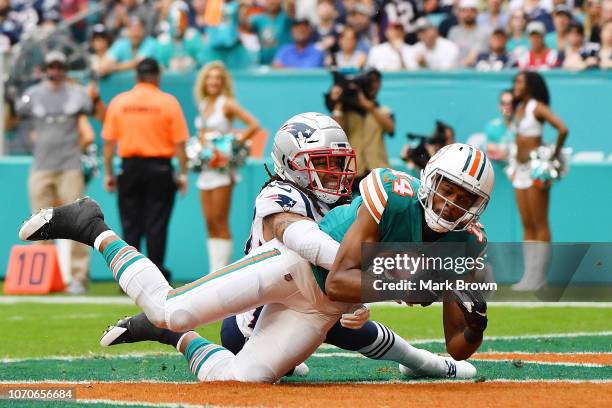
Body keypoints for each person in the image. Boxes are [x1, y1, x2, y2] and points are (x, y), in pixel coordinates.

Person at [20, 134, 492, 383]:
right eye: (447, 189)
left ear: (477, 206)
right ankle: (91, 225)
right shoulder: (392, 192)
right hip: (290, 267)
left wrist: (473, 322)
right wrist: (410, 280)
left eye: (462, 198)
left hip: (320, 310)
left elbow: (457, 343)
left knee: (238, 383)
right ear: (429, 179)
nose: (450, 203)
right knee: (172, 306)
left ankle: (176, 339)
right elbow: (340, 281)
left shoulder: (466, 246)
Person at [14, 50, 106, 295]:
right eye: (51, 66)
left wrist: (96, 98)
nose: (55, 70)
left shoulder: (78, 94)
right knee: (37, 222)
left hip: (69, 166)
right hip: (41, 165)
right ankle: (39, 277)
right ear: (45, 68)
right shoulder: (32, 95)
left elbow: (100, 116)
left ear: (64, 69)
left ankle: (78, 278)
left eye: (59, 66)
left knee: (78, 223)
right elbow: (12, 120)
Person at [101, 58, 189, 282]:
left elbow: (109, 144)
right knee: (156, 223)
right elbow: (180, 143)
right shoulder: (168, 102)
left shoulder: (120, 102)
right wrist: (183, 174)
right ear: (157, 76)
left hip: (129, 167)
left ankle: (129, 278)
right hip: (160, 168)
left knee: (130, 224)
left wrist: (109, 174)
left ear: (136, 76)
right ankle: (156, 275)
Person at [193, 61, 260, 274]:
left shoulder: (227, 103)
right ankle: (213, 270)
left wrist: (230, 147)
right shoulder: (203, 104)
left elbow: (253, 125)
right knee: (209, 220)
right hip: (206, 170)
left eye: (218, 78)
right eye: (210, 78)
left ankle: (219, 272)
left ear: (223, 83)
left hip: (222, 171)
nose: (213, 82)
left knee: (221, 219)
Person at [508, 72, 568, 291]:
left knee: (539, 222)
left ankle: (539, 276)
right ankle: (529, 274)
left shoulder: (537, 107)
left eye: (520, 82)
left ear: (530, 85)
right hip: (520, 169)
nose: (516, 85)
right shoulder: (519, 109)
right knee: (526, 223)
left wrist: (553, 155)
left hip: (536, 169)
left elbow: (562, 128)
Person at [328, 68, 395, 184]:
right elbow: (336, 132)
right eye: (371, 81)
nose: (374, 85)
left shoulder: (383, 111)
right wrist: (339, 102)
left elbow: (390, 129)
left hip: (378, 169)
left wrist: (370, 107)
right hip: (353, 171)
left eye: (377, 81)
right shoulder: (346, 113)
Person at [448, 0, 491, 66]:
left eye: (472, 11)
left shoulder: (486, 31)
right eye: (465, 11)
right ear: (460, 13)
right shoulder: (454, 31)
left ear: (477, 13)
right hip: (456, 69)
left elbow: (478, 54)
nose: (468, 14)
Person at [484, 89, 515, 162]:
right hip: (498, 172)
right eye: (504, 103)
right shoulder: (492, 127)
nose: (507, 107)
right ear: (499, 106)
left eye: (511, 103)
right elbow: (491, 151)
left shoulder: (524, 127)